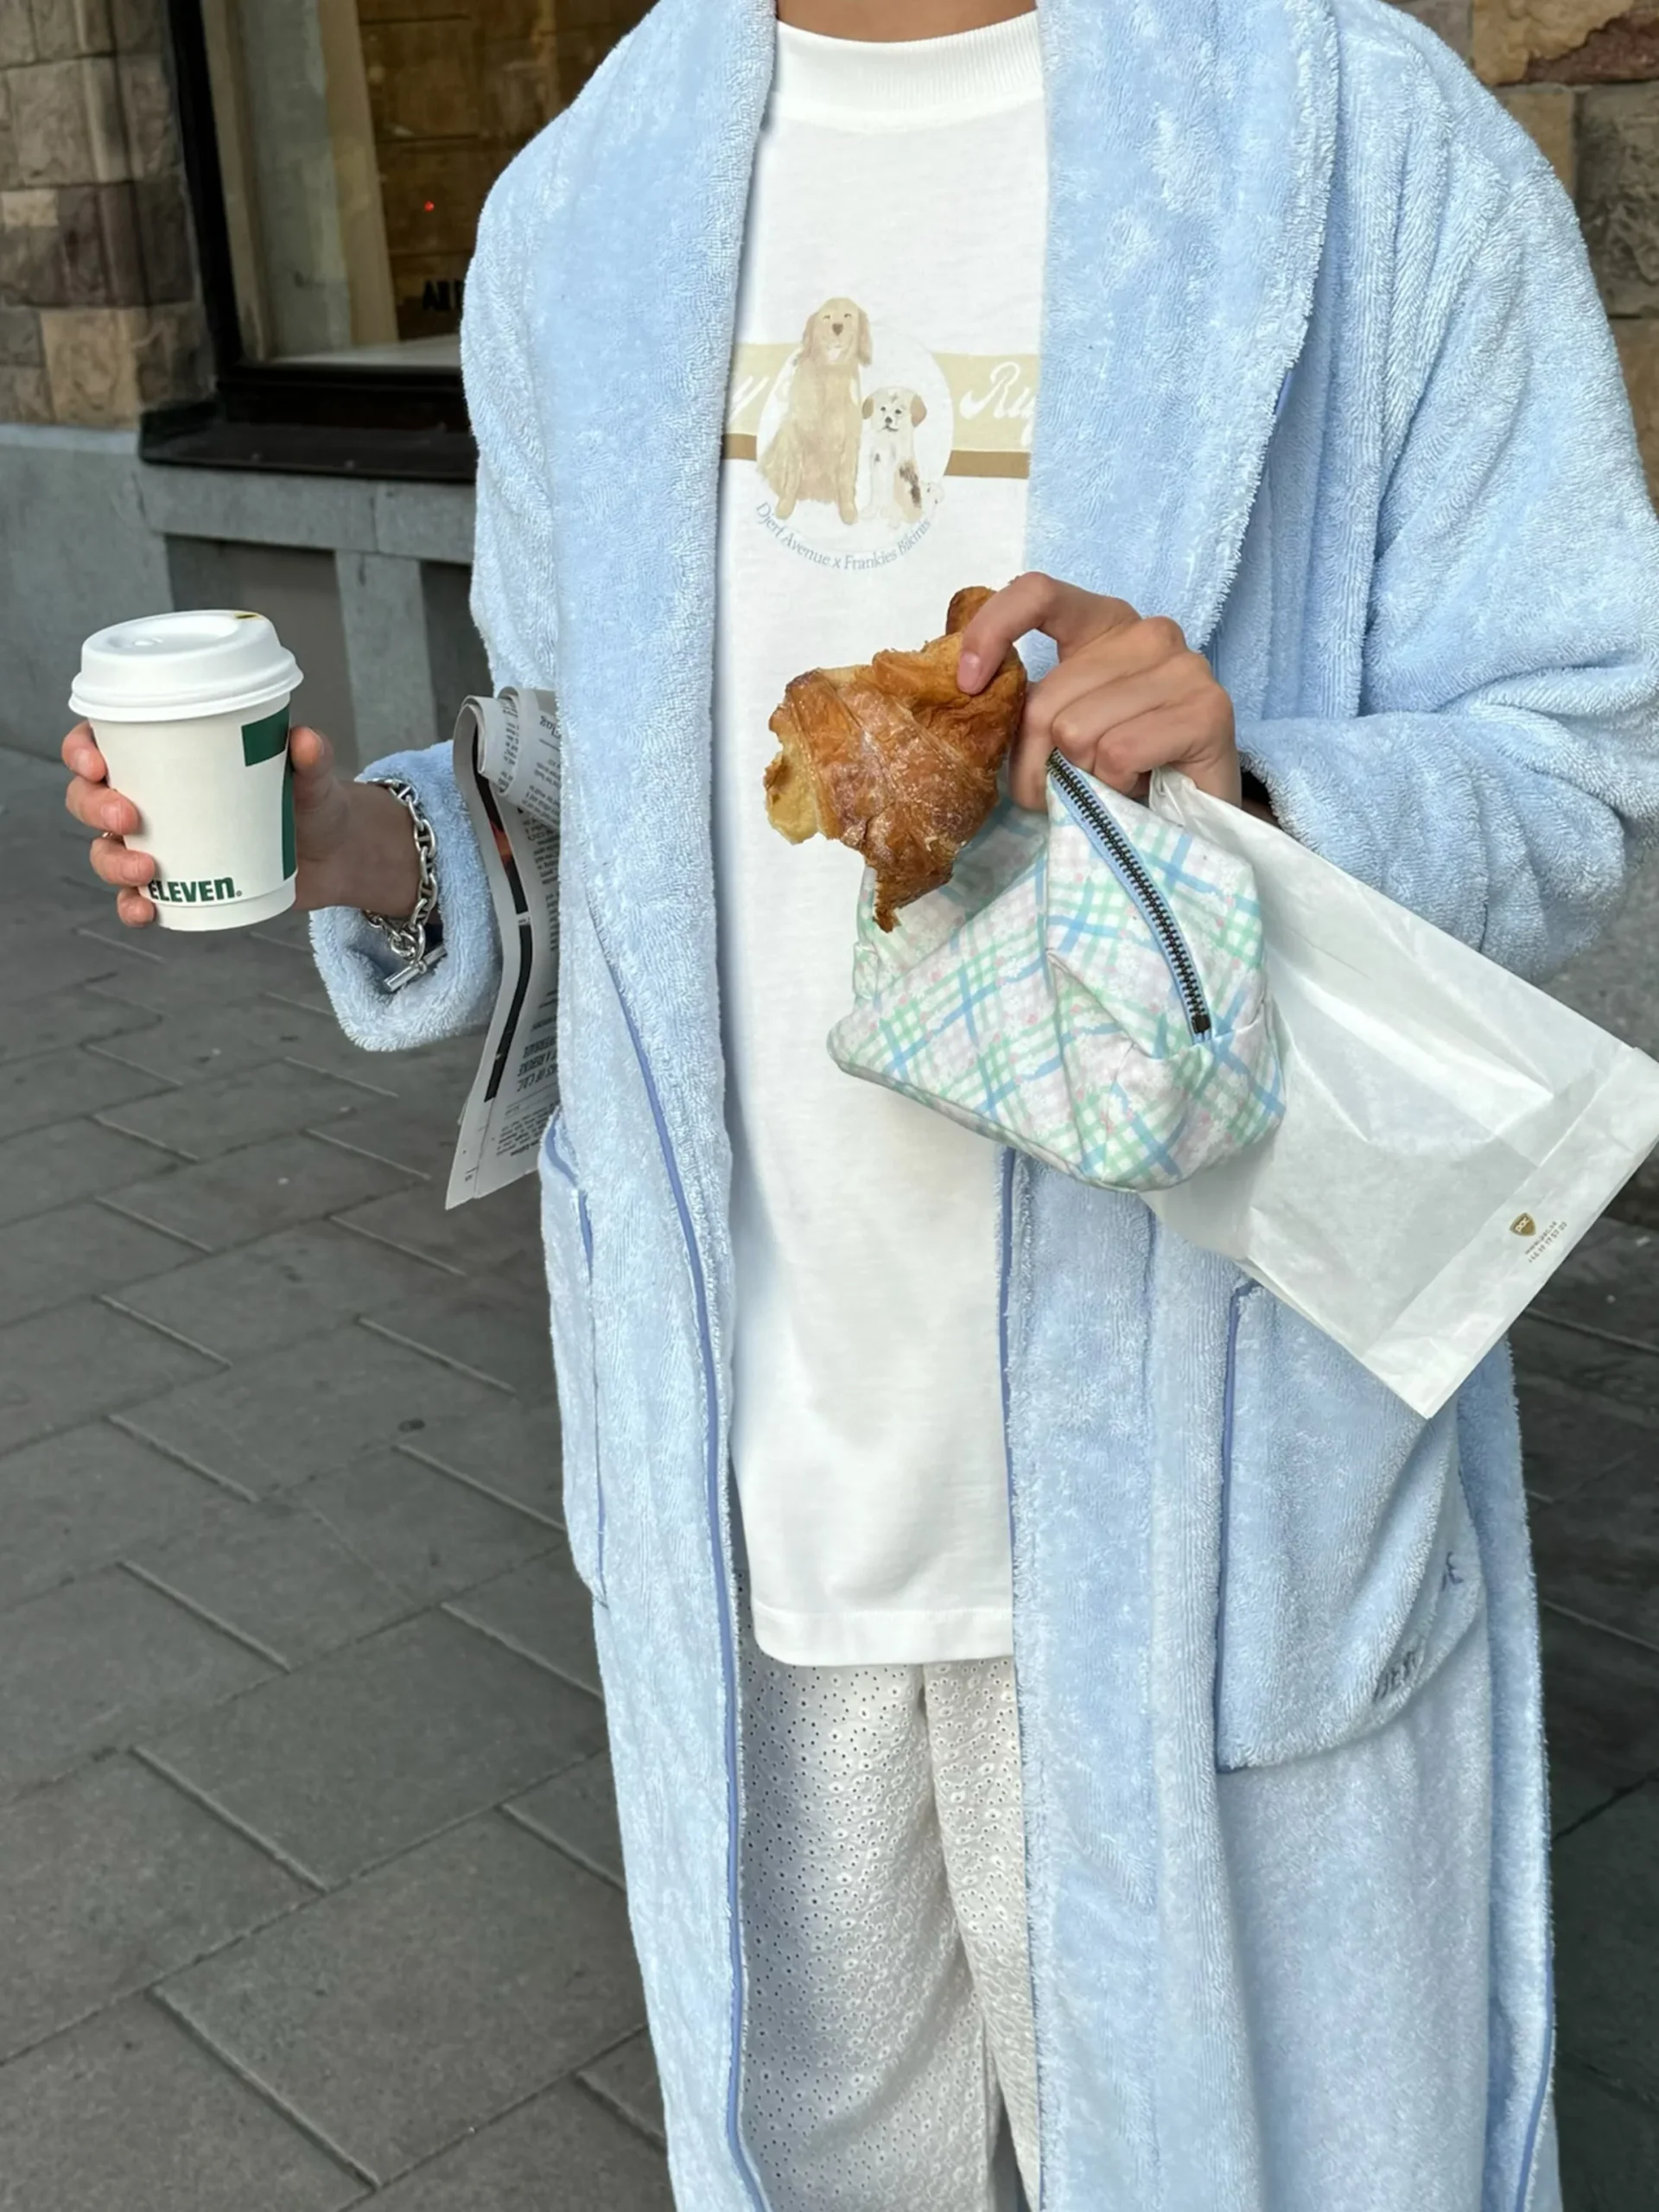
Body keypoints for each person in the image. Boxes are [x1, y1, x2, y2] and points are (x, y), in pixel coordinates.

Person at [64, 0, 1659, 2204]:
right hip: (755, 1500)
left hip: (1213, 1503)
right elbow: (597, 807)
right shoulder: (585, 211)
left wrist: (1257, 791)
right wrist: (360, 847)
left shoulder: (1349, 138)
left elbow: (1589, 747)